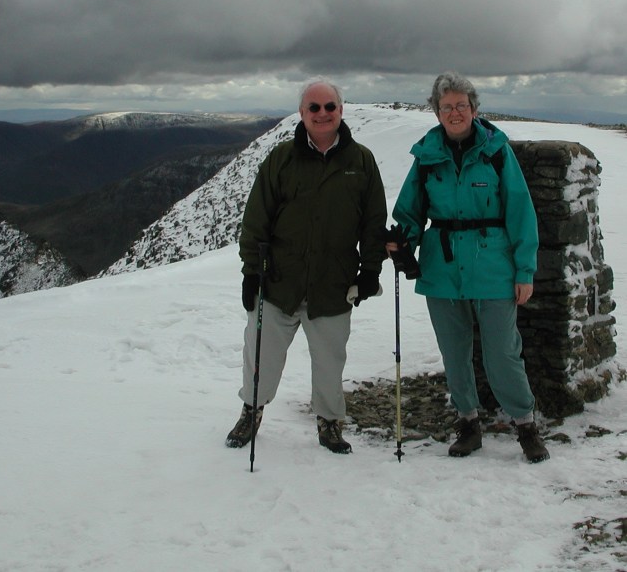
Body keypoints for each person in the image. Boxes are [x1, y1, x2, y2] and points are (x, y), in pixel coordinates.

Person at [387, 71, 550, 463]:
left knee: (502, 351)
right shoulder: (426, 156)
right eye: (447, 107)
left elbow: (520, 211)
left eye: (462, 105)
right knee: (453, 350)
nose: (455, 112)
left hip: (493, 264)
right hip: (442, 267)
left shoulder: (496, 151)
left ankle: (525, 424)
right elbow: (409, 210)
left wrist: (524, 270)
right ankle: (468, 422)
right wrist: (402, 242)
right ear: (437, 112)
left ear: (474, 110)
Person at [226, 79, 388, 454]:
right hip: (279, 281)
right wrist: (251, 272)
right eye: (313, 107)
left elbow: (373, 221)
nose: (322, 113)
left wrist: (370, 271)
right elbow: (256, 219)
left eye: (329, 106)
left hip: (333, 284)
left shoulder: (360, 161)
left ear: (341, 110)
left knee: (330, 362)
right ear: (302, 113)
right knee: (261, 356)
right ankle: (251, 410)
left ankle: (329, 422)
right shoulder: (281, 159)